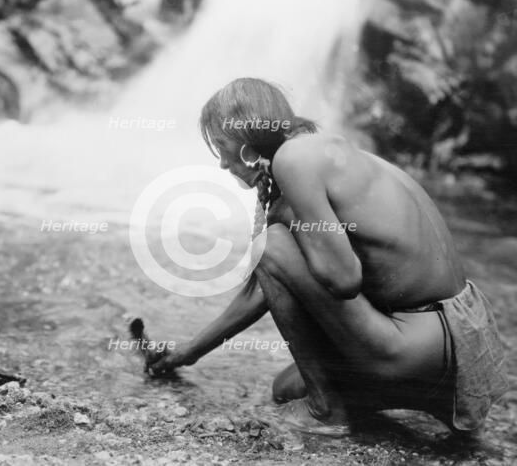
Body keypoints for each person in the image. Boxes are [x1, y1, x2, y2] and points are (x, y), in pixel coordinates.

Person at [148, 78, 508, 435]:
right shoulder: (323, 153)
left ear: (246, 144)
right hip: (459, 346)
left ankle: (325, 411)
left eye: (221, 146)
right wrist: (187, 353)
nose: (222, 164)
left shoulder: (293, 160)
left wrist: (285, 219)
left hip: (420, 341)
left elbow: (343, 278)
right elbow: (264, 287)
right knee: (287, 388)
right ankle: (425, 397)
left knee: (272, 243)